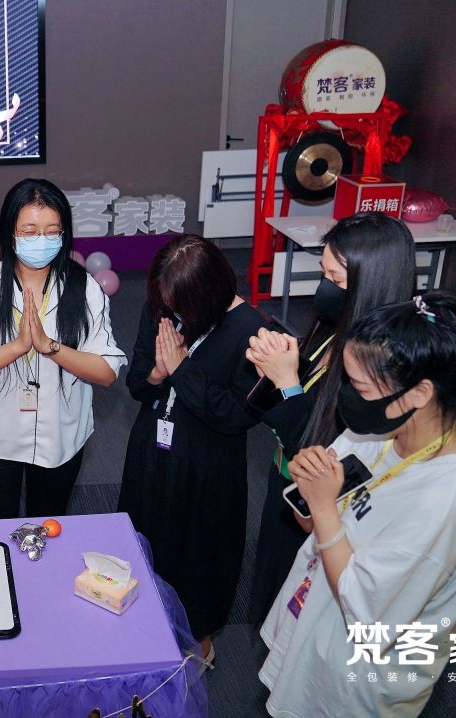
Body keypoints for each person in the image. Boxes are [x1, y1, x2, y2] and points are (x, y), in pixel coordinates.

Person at [260, 293, 456, 717]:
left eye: (361, 387)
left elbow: (365, 609)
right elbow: (309, 522)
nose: (349, 396)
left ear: (419, 392)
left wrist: (323, 506)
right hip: (313, 621)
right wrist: (311, 487)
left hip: (355, 677)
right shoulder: (380, 429)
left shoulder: (450, 499)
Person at [244, 212, 415, 624]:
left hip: (324, 505)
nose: (324, 287)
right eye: (323, 273)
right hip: (289, 481)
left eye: (335, 278)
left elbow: (327, 450)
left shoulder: (383, 363)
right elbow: (309, 394)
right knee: (270, 595)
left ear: (370, 282)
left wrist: (287, 383)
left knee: (298, 609)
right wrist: (278, 367)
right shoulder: (335, 326)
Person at [116, 233, 265, 664]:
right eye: (165, 303)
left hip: (207, 467)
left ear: (208, 294)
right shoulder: (161, 309)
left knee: (199, 556)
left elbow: (237, 415)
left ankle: (199, 641)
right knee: (144, 540)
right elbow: (137, 383)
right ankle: (144, 626)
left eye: (180, 304)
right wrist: (158, 375)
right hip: (152, 450)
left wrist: (183, 370)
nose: (170, 311)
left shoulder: (252, 331)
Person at [0, 179, 124, 519]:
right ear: (10, 233)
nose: (42, 240)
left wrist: (50, 347)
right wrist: (18, 347)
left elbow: (107, 372)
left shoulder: (83, 288)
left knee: (49, 527)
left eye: (52, 231)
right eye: (30, 231)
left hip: (61, 436)